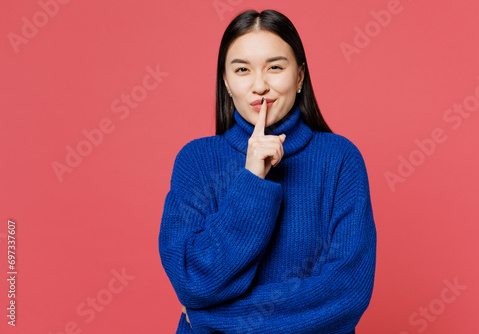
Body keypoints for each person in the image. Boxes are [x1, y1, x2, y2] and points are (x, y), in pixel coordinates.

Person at [158, 9, 376, 334]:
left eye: (275, 67)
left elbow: (346, 292)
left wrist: (210, 319)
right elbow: (193, 279)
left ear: (300, 76)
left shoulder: (340, 159)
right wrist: (251, 181)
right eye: (242, 70)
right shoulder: (196, 160)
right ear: (226, 82)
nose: (260, 85)